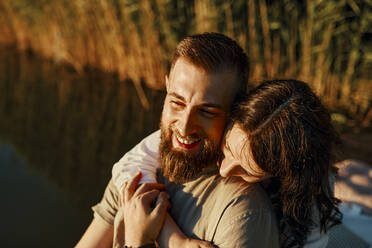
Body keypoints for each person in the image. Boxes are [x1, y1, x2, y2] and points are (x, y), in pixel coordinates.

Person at [75, 32, 279, 248]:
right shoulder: (138, 171)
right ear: (167, 86)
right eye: (177, 102)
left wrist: (139, 242)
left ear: (235, 112)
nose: (184, 126)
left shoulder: (242, 214)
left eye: (207, 112)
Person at [113, 80, 343, 247]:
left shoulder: (310, 202)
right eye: (228, 150)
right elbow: (129, 164)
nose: (224, 170)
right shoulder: (210, 129)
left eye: (246, 169)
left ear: (283, 172)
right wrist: (171, 237)